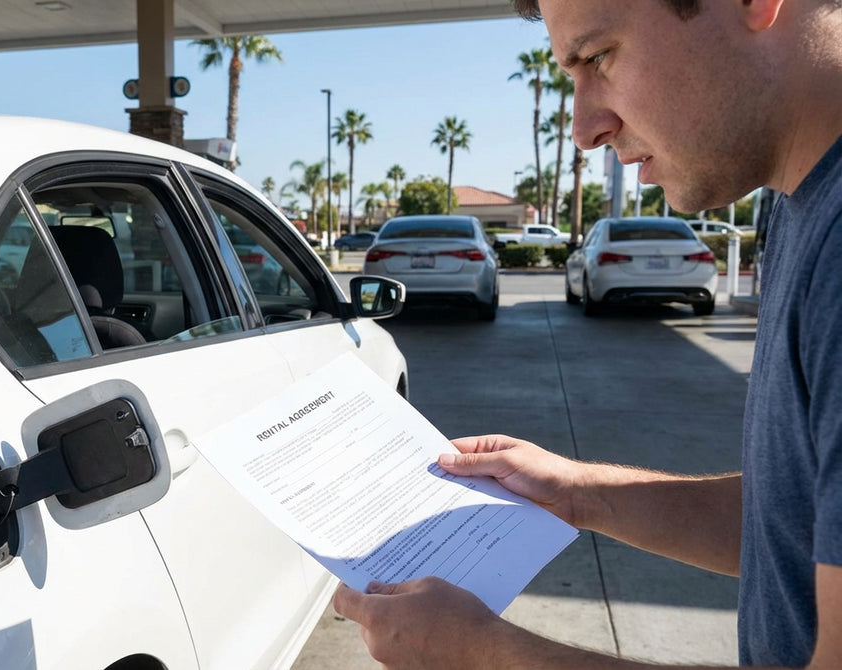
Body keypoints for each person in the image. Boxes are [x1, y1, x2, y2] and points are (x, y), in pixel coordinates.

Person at [332, 0, 842, 668]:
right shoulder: (801, 202)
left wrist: (483, 654)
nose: (584, 129)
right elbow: (795, 517)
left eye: (599, 57)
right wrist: (576, 491)